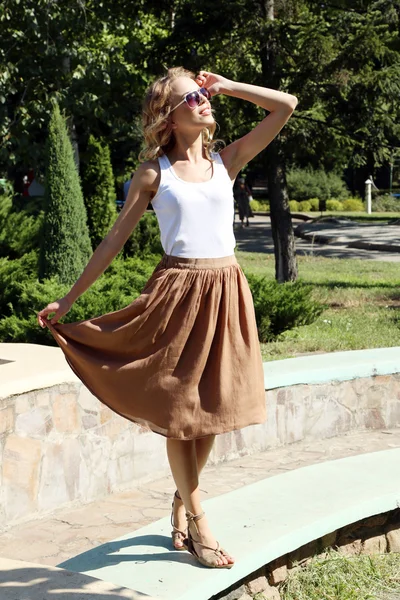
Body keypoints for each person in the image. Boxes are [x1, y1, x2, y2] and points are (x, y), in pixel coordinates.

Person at [37, 67, 297, 569]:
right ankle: (200, 522)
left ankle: (182, 497)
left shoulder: (229, 161)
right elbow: (114, 240)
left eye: (203, 95)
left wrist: (225, 86)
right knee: (182, 417)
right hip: (177, 293)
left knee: (213, 414)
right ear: (169, 116)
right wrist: (67, 303)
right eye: (191, 97)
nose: (202, 101)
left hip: (226, 291)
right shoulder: (154, 173)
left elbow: (284, 105)